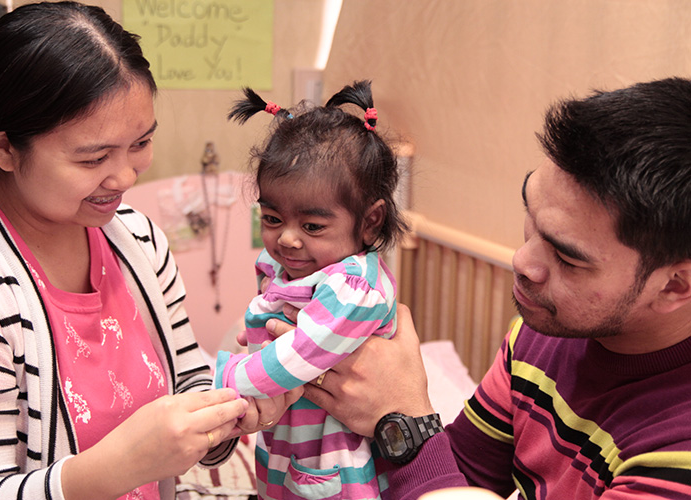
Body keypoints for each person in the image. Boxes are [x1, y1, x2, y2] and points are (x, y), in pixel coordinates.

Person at [267, 77, 691, 499]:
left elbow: (428, 466)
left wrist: (402, 419)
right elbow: (463, 472)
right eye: (531, 215)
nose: (522, 262)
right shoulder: (540, 334)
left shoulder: (678, 452)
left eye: (567, 258)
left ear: (675, 285)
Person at [0, 3, 298, 499]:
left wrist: (231, 412)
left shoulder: (137, 240)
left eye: (141, 143)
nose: (126, 177)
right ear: (4, 148)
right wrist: (123, 465)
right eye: (93, 157)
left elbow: (186, 376)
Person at [214, 81, 409, 499]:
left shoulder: (356, 290)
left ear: (370, 221)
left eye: (312, 226)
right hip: (288, 433)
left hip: (336, 451)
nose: (287, 240)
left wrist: (226, 378)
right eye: (271, 219)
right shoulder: (282, 266)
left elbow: (299, 354)